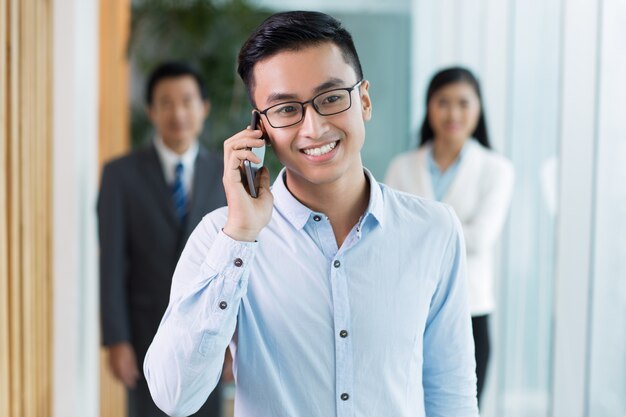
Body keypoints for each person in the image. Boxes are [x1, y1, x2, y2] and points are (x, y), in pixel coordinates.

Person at [144, 12, 479, 417]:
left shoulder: (434, 230)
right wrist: (241, 236)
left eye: (332, 98)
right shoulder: (220, 237)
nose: (314, 127)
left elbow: (450, 393)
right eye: (286, 109)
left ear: (365, 100)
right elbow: (174, 396)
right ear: (259, 129)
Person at [98, 61, 226, 417]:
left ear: (204, 108)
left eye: (187, 101)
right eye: (166, 102)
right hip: (144, 336)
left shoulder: (227, 173)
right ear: (151, 111)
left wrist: (237, 343)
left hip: (208, 336)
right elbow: (111, 261)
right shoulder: (120, 175)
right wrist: (116, 339)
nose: (178, 112)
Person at [385, 67, 515, 403]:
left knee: (460, 406)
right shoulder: (403, 166)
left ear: (478, 109)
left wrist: (421, 232)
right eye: (443, 102)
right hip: (409, 308)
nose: (453, 113)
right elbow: (388, 235)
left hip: (471, 310)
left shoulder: (496, 169)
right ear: (429, 107)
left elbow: (481, 238)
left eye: (463, 103)